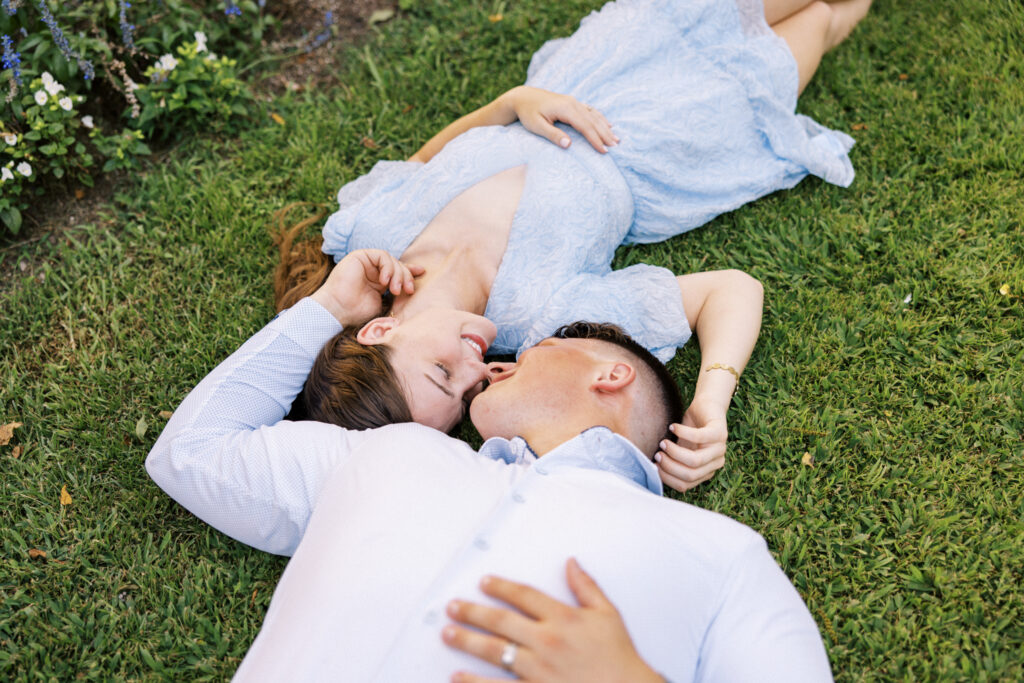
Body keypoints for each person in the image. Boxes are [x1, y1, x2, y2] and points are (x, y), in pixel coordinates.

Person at [146, 250, 833, 680]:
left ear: (610, 373)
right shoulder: (388, 453)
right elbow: (192, 451)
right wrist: (327, 308)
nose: (499, 360)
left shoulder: (721, 555)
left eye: (542, 346)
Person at [272, 0, 872, 490]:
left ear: (379, 333)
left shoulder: (368, 241)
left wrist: (508, 104)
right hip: (674, 132)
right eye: (466, 392)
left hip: (596, 66)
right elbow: (731, 290)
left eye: (440, 372)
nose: (475, 369)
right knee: (824, 17)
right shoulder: (537, 320)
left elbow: (423, 162)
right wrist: (712, 400)